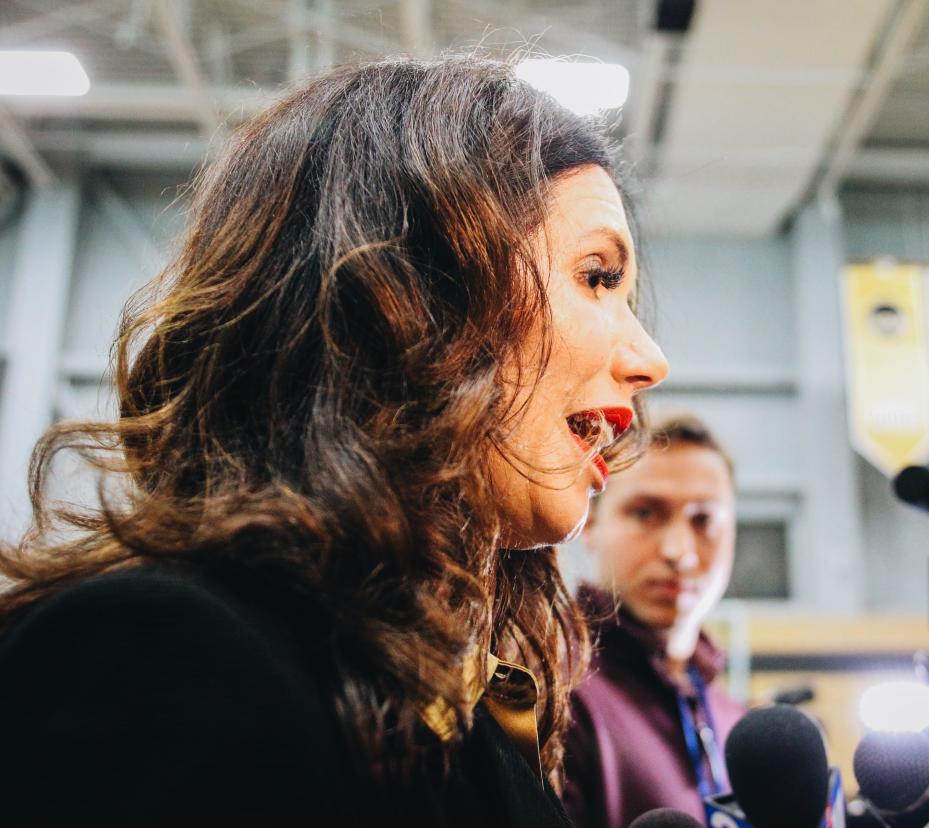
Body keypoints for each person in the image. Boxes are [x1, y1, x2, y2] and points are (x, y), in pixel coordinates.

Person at [0, 55, 667, 827]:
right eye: (595, 277)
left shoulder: (466, 715)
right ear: (412, 292)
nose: (649, 361)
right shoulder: (158, 656)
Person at [562, 414, 747, 828]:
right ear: (590, 523)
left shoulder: (732, 716)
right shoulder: (555, 694)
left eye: (704, 520)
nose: (678, 551)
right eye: (645, 513)